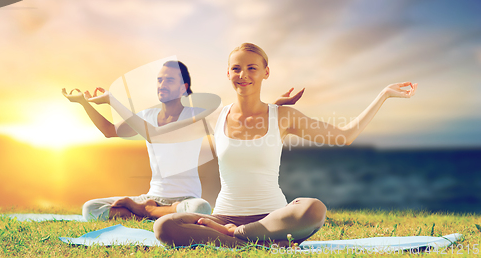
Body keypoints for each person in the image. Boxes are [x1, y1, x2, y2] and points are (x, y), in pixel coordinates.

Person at [150, 43, 418, 247]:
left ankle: (238, 238)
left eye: (252, 68)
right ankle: (252, 243)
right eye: (236, 68)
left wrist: (383, 95)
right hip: (222, 217)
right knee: (164, 227)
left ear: (266, 73)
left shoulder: (284, 117)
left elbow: (345, 135)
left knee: (313, 209)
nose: (243, 75)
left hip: (272, 218)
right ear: (228, 73)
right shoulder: (215, 116)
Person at [63, 60, 303, 221]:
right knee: (90, 209)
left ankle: (145, 212)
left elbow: (242, 116)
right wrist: (84, 103)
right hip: (152, 196)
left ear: (183, 88)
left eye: (169, 80)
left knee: (201, 209)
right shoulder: (146, 116)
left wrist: (275, 106)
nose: (162, 84)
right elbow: (109, 130)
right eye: (159, 80)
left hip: (185, 201)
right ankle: (149, 211)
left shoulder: (195, 116)